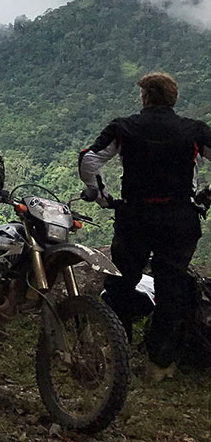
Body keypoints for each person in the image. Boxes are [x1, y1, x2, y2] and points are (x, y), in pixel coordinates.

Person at [79, 72, 211, 383]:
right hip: (179, 218)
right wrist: (206, 197)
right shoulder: (193, 130)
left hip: (135, 216)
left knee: (122, 282)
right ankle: (160, 364)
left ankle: (118, 350)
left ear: (145, 98)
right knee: (171, 286)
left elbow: (89, 162)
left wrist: (102, 197)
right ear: (173, 99)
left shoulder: (123, 127)